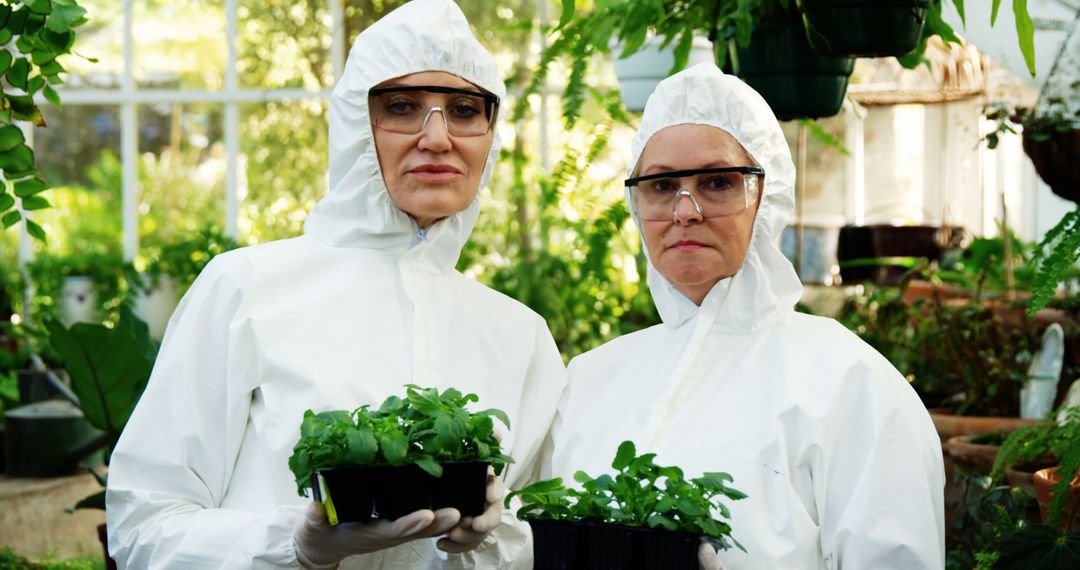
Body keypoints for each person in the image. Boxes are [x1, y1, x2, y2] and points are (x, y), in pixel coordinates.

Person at [106, 1, 565, 568]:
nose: (438, 137)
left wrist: (490, 543)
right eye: (402, 106)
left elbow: (545, 535)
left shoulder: (521, 336)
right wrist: (292, 547)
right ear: (354, 123)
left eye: (465, 110)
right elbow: (144, 524)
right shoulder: (247, 286)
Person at [544, 63, 945, 569]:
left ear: (766, 196)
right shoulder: (590, 381)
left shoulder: (850, 384)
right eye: (662, 186)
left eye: (717, 182)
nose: (685, 210)